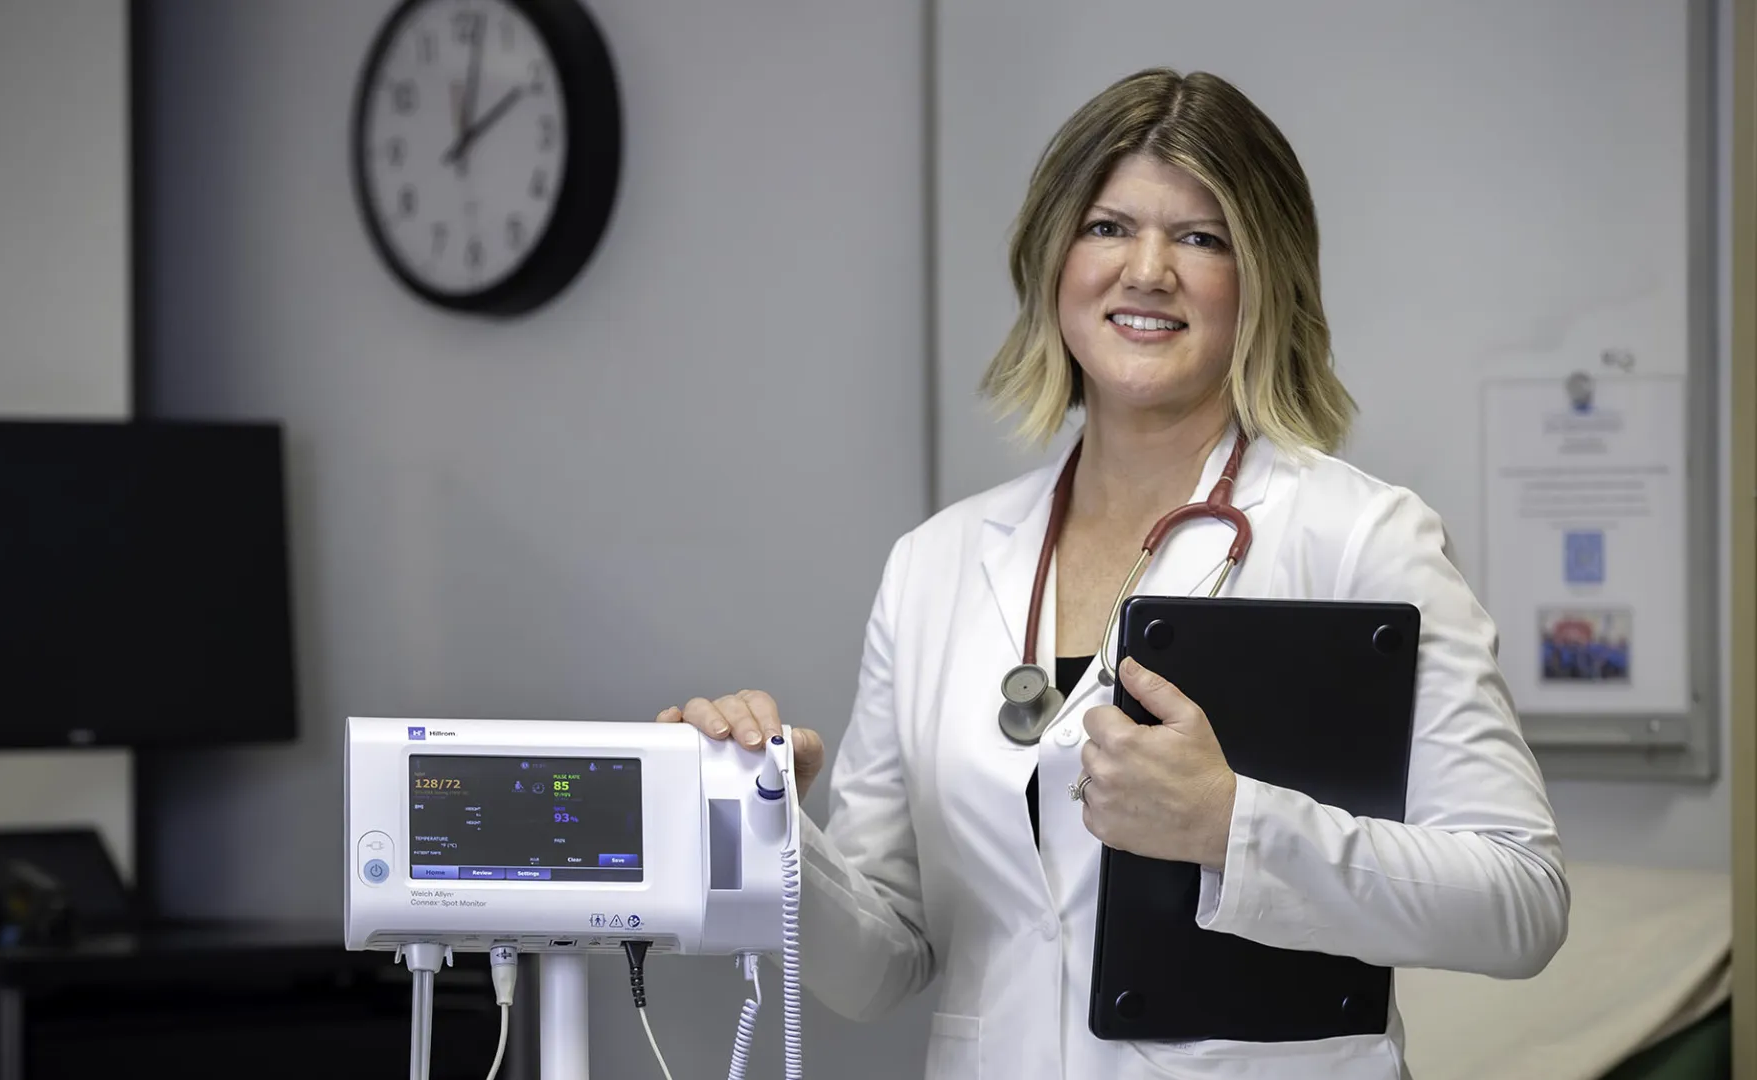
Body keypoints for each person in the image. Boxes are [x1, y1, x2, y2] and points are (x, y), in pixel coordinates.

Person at [660, 67, 1569, 1079]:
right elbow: (880, 967)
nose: (1147, 271)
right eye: (1107, 227)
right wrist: (762, 827)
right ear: (1052, 259)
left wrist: (1234, 825)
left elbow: (1520, 899)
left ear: (1264, 277)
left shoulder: (1361, 539)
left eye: (1200, 237)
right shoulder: (937, 567)